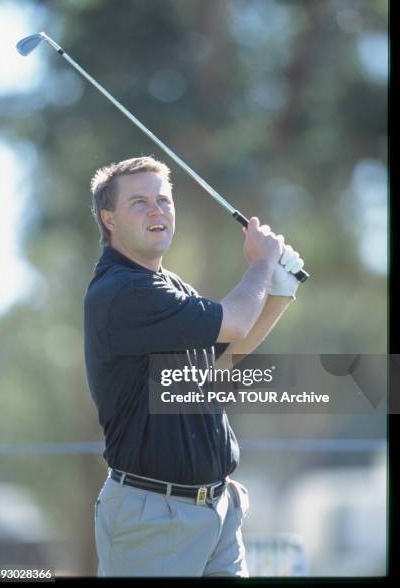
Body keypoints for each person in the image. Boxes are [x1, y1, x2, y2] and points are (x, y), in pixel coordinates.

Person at [84, 155, 304, 577]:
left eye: (164, 200)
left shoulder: (171, 286)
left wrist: (280, 290)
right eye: (140, 203)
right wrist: (261, 263)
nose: (157, 210)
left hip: (216, 512)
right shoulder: (120, 292)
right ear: (109, 219)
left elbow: (223, 363)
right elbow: (235, 320)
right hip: (152, 520)